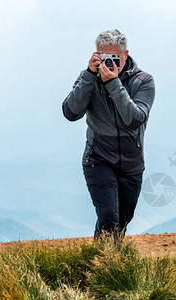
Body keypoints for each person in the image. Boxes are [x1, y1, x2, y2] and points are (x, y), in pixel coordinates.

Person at [61, 29, 155, 240]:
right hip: (98, 159)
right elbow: (70, 112)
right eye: (103, 57)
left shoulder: (143, 81)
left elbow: (134, 120)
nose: (109, 63)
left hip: (131, 164)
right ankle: (104, 267)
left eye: (114, 58)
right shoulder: (88, 78)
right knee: (109, 219)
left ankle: (105, 264)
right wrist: (88, 76)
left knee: (120, 223)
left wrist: (113, 83)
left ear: (125, 54)